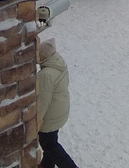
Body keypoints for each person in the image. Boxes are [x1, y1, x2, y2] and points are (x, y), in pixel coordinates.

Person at [36, 39, 80, 168]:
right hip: (60, 110)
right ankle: (46, 165)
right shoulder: (58, 63)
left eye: (39, 54)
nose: (37, 56)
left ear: (44, 55)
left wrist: (37, 121)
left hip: (51, 116)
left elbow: (43, 102)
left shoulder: (46, 75)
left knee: (49, 144)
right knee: (51, 141)